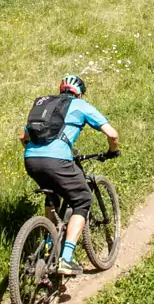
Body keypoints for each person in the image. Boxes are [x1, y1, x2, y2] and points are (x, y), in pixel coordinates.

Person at [19, 74, 119, 278]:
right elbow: (112, 134)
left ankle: (49, 244)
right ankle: (66, 258)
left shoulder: (44, 104)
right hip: (57, 161)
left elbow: (23, 137)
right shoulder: (81, 106)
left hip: (31, 160)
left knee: (52, 195)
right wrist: (112, 151)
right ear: (79, 93)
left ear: (60, 89)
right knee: (82, 199)